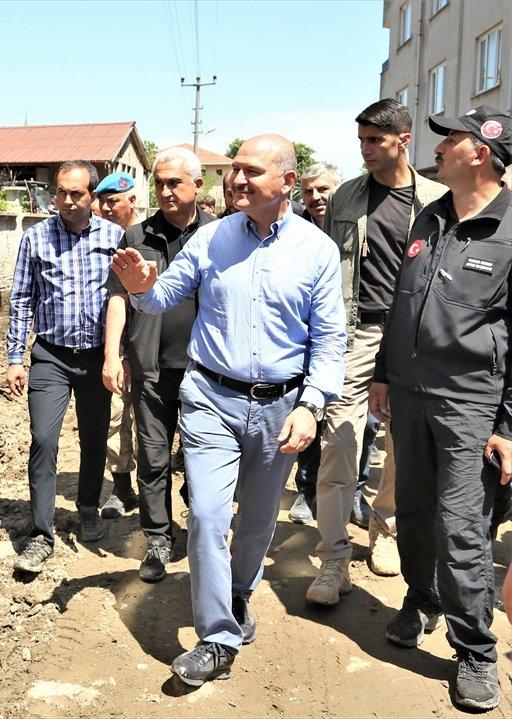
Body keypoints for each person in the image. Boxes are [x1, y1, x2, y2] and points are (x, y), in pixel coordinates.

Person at [113, 134, 346, 685]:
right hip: (210, 400)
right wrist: (141, 286)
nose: (236, 179)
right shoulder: (212, 238)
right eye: (234, 169)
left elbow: (329, 338)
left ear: (288, 181)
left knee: (257, 520)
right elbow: (161, 296)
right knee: (208, 517)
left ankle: (239, 593)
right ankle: (217, 637)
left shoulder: (316, 250)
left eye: (251, 171)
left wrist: (312, 404)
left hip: (280, 406)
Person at [369, 105, 512, 712]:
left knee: (461, 527)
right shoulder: (429, 215)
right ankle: (421, 599)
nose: (438, 147)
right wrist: (383, 373)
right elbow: (403, 303)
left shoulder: (510, 228)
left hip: (470, 402)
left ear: (481, 153)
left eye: (450, 139)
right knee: (415, 511)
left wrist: (508, 426)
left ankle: (475, 649)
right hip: (408, 393)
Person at [308, 100, 450, 608]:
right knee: (339, 440)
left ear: (403, 140)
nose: (365, 150)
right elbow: (327, 269)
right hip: (357, 333)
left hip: (414, 336)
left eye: (375, 140)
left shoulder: (437, 199)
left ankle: (385, 528)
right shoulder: (346, 196)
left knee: (401, 442)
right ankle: (333, 555)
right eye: (362, 140)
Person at [105, 146, 214, 582]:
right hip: (151, 369)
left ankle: (205, 532)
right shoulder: (137, 237)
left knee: (204, 458)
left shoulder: (220, 234)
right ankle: (157, 537)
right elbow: (118, 296)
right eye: (160, 183)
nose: (166, 191)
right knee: (152, 458)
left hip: (208, 372)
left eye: (175, 182)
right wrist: (113, 354)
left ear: (198, 185)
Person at [7, 160, 122, 573]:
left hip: (95, 359)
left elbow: (124, 300)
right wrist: (15, 358)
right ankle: (41, 534)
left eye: (77, 193)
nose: (68, 200)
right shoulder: (35, 238)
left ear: (92, 195)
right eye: (61, 192)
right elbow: (21, 298)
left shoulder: (114, 237)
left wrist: (119, 355)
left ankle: (87, 507)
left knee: (93, 438)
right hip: (50, 356)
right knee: (43, 439)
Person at [287, 162, 343, 524]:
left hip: (350, 333)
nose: (315, 197)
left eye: (323, 189)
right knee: (310, 411)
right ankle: (307, 490)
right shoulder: (294, 231)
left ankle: (352, 492)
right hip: (306, 337)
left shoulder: (352, 227)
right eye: (308, 191)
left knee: (357, 425)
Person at [94, 171, 140, 518]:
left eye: (113, 202)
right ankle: (122, 487)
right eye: (103, 203)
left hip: (150, 346)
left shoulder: (147, 237)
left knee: (149, 423)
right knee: (116, 418)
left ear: (132, 201)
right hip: (116, 345)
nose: (106, 209)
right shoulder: (102, 239)